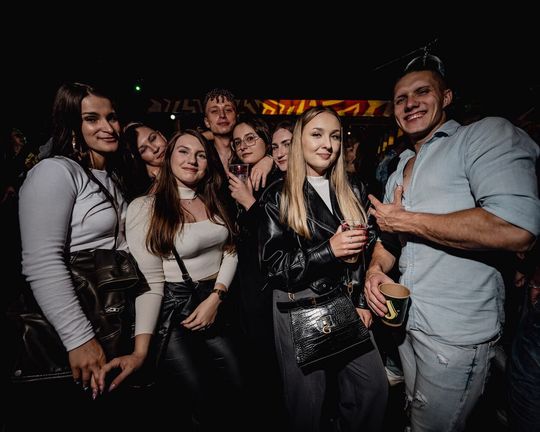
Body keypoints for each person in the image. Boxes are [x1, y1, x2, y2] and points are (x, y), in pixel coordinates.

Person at [364, 54, 540, 431]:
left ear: (446, 97)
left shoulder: (482, 137)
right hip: (406, 324)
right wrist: (376, 269)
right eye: (400, 98)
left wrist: (406, 220)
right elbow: (390, 238)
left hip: (455, 336)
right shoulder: (399, 166)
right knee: (412, 411)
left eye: (422, 92)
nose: (410, 103)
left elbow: (515, 226)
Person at [13, 82, 151, 430]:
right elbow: (42, 262)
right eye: (92, 119)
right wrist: (79, 339)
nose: (108, 127)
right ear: (72, 124)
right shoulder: (54, 171)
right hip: (73, 327)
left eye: (112, 117)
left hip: (109, 320)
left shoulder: (111, 177)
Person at [259, 106, 388, 431]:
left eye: (335, 136)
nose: (327, 144)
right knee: (308, 407)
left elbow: (363, 248)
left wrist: (360, 300)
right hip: (299, 304)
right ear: (299, 140)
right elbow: (275, 268)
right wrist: (328, 250)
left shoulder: (352, 187)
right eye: (317, 134)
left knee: (372, 389)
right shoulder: (278, 195)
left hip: (343, 300)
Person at [115, 129, 243, 430]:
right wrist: (140, 350)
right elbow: (151, 282)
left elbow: (231, 250)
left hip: (215, 302)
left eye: (200, 155)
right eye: (183, 151)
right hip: (173, 311)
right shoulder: (145, 208)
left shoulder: (213, 199)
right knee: (199, 398)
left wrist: (217, 296)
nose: (192, 160)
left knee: (238, 385)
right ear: (169, 157)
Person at [203, 88, 273, 190]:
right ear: (207, 122)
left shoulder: (247, 154)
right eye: (214, 111)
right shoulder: (202, 153)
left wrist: (270, 158)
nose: (222, 115)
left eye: (228, 110)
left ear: (236, 116)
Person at [122, 121, 168, 199]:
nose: (155, 149)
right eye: (143, 150)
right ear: (139, 158)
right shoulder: (154, 193)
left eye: (153, 138)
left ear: (161, 135)